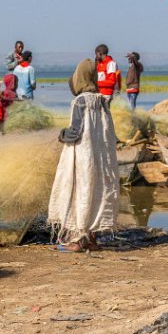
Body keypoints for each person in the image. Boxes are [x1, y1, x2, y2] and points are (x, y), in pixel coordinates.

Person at [48, 59, 120, 252]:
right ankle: (92, 241)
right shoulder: (102, 101)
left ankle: (77, 241)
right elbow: (109, 132)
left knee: (79, 192)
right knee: (96, 192)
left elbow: (75, 132)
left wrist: (61, 134)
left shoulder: (80, 101)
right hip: (100, 158)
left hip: (82, 158)